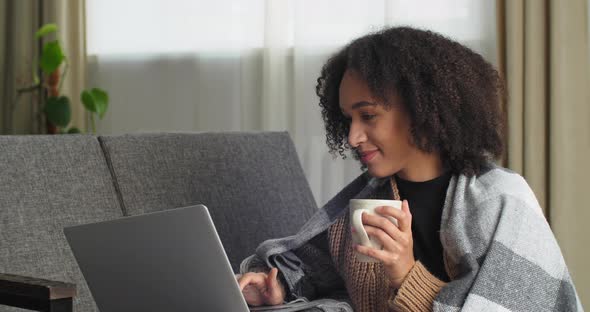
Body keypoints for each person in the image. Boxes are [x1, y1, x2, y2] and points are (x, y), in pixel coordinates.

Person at [236, 27, 583, 312]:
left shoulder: (502, 201)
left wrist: (405, 275)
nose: (354, 137)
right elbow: (309, 272)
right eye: (348, 120)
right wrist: (277, 290)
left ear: (422, 108)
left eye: (368, 115)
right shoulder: (365, 204)